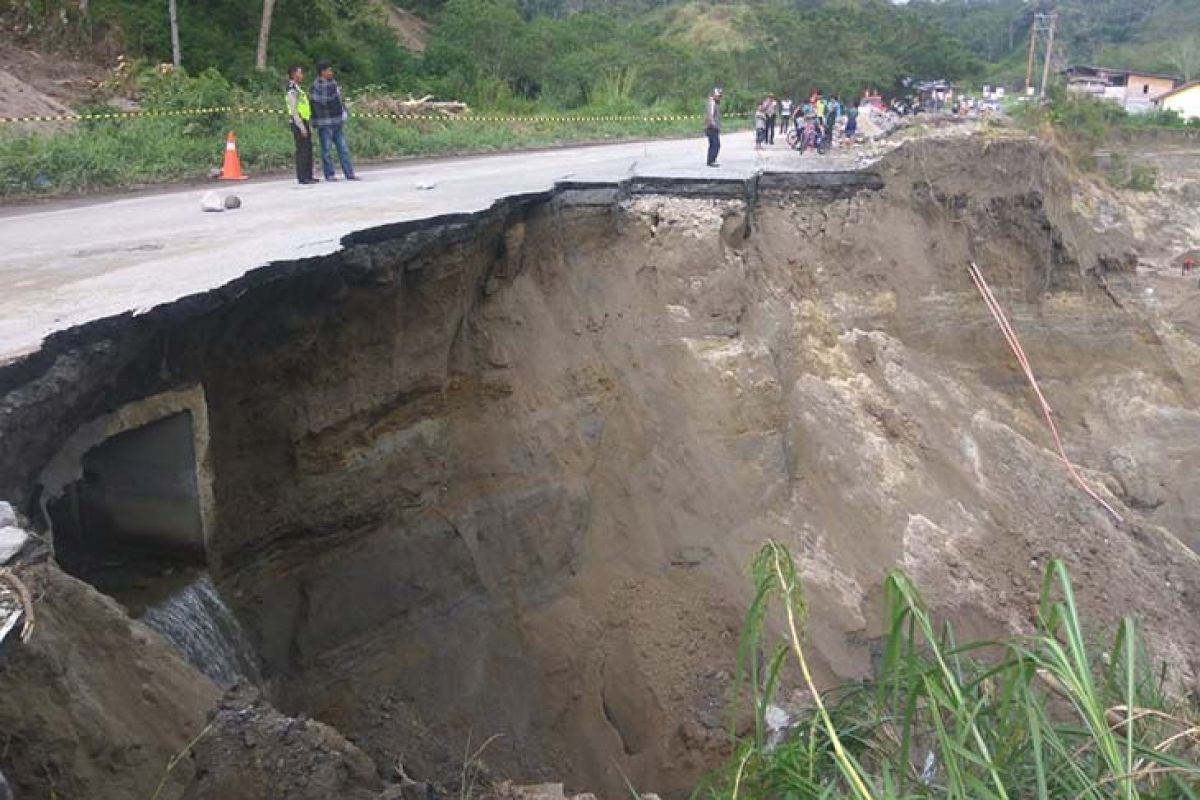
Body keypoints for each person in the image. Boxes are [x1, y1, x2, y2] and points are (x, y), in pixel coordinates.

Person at [310, 62, 359, 181]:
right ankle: (329, 174)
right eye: (329, 70)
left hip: (337, 121)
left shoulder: (333, 84)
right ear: (323, 72)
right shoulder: (316, 86)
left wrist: (344, 110)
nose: (331, 73)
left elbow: (338, 101)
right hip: (325, 122)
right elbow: (320, 102)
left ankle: (349, 173)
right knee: (326, 149)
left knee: (343, 149)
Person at [286, 65, 317, 185]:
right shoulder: (292, 90)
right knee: (302, 150)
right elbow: (294, 110)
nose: (302, 75)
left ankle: (309, 175)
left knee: (308, 149)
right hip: (298, 122)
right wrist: (301, 126)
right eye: (300, 73)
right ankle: (303, 177)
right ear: (294, 75)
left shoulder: (298, 89)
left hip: (304, 120)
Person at [704, 87, 723, 167]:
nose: (719, 97)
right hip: (711, 127)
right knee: (716, 144)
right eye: (718, 96)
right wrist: (714, 125)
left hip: (711, 127)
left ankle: (710, 160)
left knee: (713, 144)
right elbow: (710, 115)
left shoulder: (714, 103)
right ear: (714, 95)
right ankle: (711, 161)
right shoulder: (712, 103)